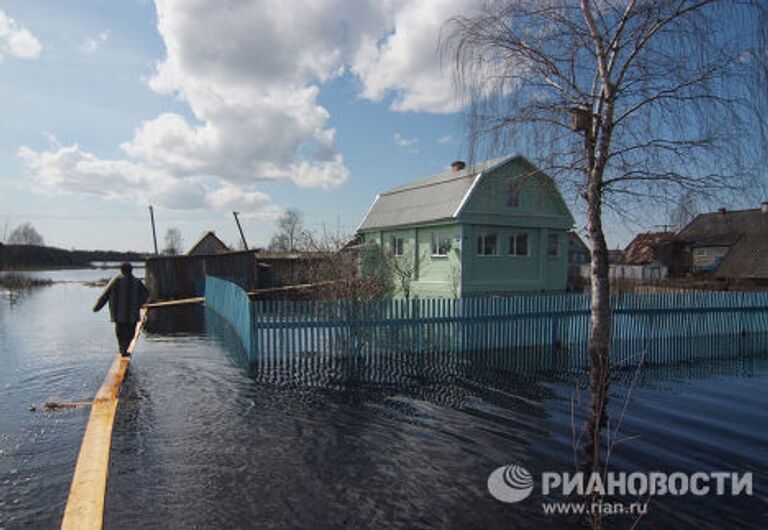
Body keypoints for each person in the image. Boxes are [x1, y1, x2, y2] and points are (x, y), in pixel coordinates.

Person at [93, 262, 149, 357]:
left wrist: (96, 307)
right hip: (132, 313)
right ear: (131, 270)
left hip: (119, 313)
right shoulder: (137, 281)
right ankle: (125, 348)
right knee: (131, 332)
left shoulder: (115, 281)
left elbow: (105, 295)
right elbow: (146, 294)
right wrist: (140, 304)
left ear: (121, 270)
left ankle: (122, 348)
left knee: (120, 332)